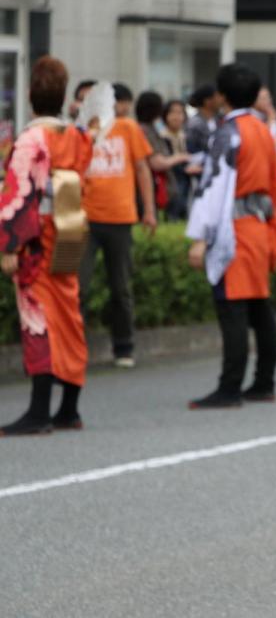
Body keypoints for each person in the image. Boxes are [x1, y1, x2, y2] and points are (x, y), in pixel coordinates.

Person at [0, 57, 93, 435]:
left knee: (37, 317)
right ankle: (69, 407)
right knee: (68, 315)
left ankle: (39, 411)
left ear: (30, 94)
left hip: (37, 240)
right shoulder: (77, 136)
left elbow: (19, 196)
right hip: (68, 230)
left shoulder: (31, 140)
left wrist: (9, 245)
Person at [185, 64, 276, 408]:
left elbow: (213, 186)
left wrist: (200, 236)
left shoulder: (228, 133)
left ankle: (230, 387)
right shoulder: (262, 130)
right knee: (259, 307)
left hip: (232, 229)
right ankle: (264, 381)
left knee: (233, 310)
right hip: (258, 225)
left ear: (222, 96)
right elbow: (275, 188)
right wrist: (275, 235)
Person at [78, 82, 156, 368]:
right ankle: (76, 348)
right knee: (78, 287)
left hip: (120, 217)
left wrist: (149, 210)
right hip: (84, 219)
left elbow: (142, 169)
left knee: (120, 287)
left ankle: (124, 347)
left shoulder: (127, 128)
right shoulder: (79, 131)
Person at [135, 91, 192, 219]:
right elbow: (156, 162)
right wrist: (180, 157)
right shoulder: (147, 130)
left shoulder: (152, 128)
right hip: (153, 186)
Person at [161, 99, 196, 221]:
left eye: (180, 113)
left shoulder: (185, 136)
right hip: (169, 184)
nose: (177, 117)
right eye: (173, 113)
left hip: (186, 183)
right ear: (165, 115)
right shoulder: (162, 137)